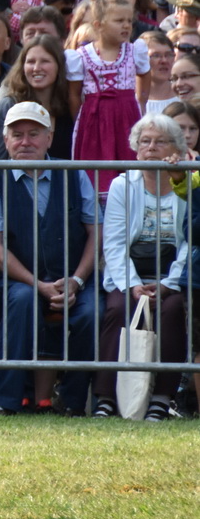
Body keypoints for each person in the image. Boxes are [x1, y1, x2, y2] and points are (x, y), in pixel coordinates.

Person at [0, 102, 98, 416]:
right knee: (23, 300)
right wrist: (40, 285)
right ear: (5, 141)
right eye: (17, 135)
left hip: (75, 280)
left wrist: (77, 280)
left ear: (49, 137)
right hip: (17, 282)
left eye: (34, 134)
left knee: (92, 313)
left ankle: (72, 403)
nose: (25, 141)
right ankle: (5, 400)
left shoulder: (74, 174)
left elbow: (96, 235)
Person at [94, 114, 191, 420]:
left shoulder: (187, 185)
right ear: (136, 148)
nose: (151, 148)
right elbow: (114, 242)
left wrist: (168, 284)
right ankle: (106, 399)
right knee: (115, 309)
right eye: (145, 141)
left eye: (160, 142)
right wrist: (133, 285)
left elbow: (191, 242)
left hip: (172, 273)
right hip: (131, 272)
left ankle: (161, 399)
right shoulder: (123, 185)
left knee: (173, 310)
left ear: (175, 148)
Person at [67, 0, 151, 198]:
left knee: (129, 164)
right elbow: (74, 94)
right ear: (99, 25)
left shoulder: (134, 51)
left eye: (129, 21)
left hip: (127, 117)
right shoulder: (82, 55)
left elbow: (145, 75)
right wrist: (82, 117)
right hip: (94, 119)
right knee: (95, 171)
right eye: (119, 20)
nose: (126, 26)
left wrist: (140, 103)